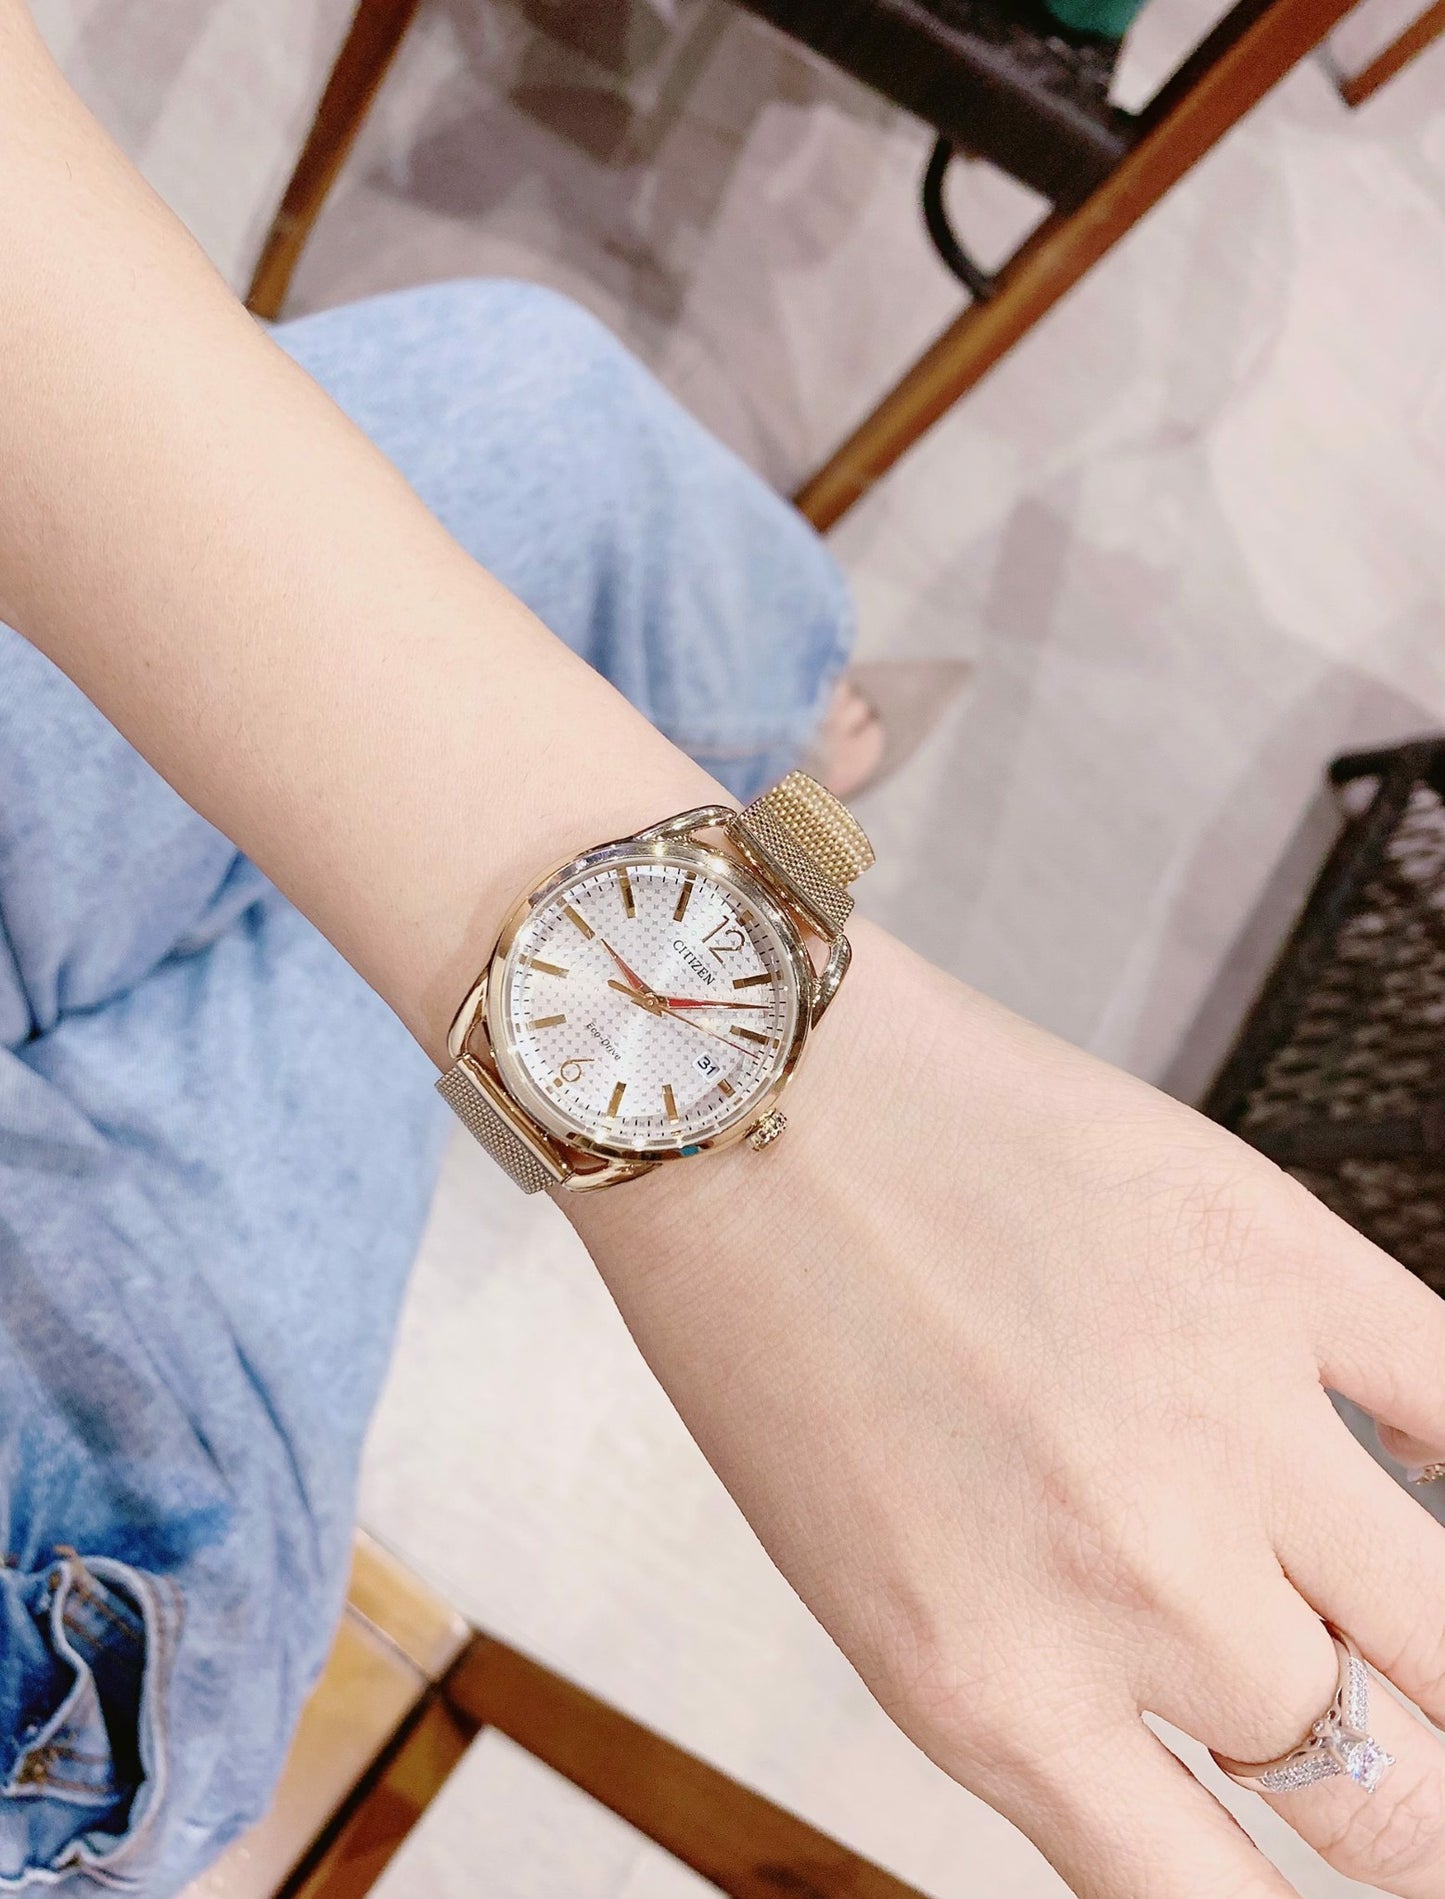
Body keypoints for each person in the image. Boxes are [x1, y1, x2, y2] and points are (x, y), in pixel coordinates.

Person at [1, 7, 1443, 1896]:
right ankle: (758, 771)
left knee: (557, 415)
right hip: (71, 1528)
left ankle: (746, 790)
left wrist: (807, 1108)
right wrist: (741, 1151)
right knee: (573, 596)